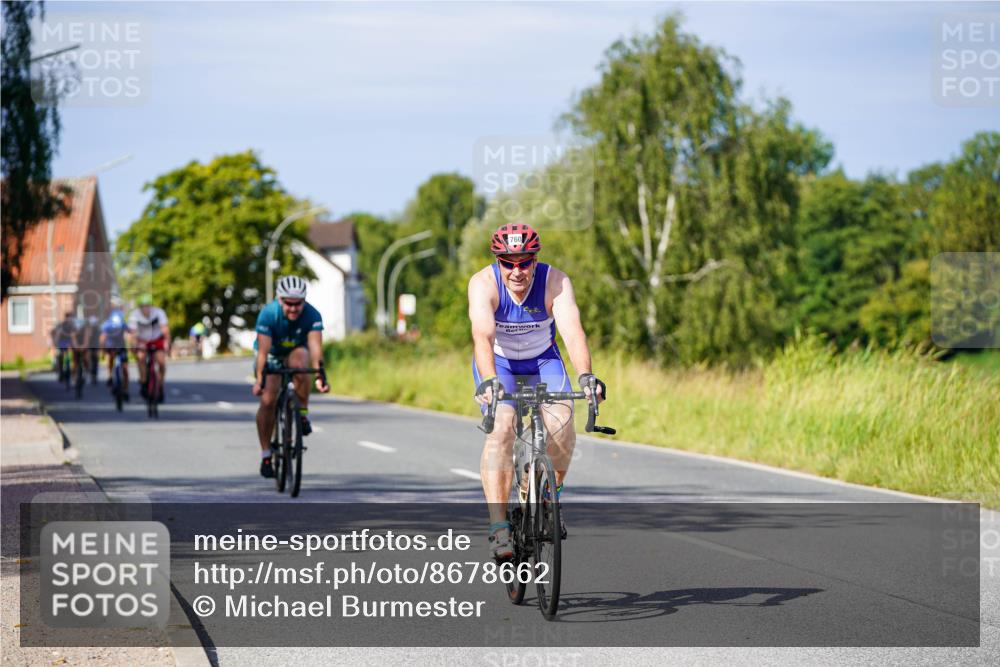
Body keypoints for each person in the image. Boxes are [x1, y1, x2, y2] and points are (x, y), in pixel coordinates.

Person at [468, 223, 606, 559]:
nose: (517, 271)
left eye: (524, 262)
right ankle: (499, 527)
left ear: (535, 260)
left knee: (562, 420)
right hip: (499, 365)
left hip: (543, 360)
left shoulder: (556, 282)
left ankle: (546, 495)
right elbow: (482, 336)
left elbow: (572, 331)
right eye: (508, 263)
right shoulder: (483, 283)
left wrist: (587, 376)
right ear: (498, 262)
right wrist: (489, 382)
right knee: (501, 428)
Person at [251, 276, 329, 478]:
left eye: (298, 304)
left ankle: (301, 413)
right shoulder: (268, 314)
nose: (293, 309)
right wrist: (260, 380)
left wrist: (320, 375)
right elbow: (262, 353)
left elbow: (315, 349)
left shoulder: (312, 315)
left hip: (295, 350)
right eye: (289, 304)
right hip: (271, 353)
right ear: (280, 300)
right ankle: (267, 454)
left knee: (301, 364)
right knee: (268, 399)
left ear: (304, 301)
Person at [127, 294, 170, 403]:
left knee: (161, 362)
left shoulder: (159, 313)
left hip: (156, 338)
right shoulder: (134, 315)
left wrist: (167, 344)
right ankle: (144, 381)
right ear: (139, 307)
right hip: (142, 339)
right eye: (143, 306)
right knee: (141, 358)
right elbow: (132, 334)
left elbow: (165, 330)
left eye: (148, 306)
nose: (146, 309)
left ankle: (160, 385)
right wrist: (134, 345)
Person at [100, 304, 130, 399]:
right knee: (110, 359)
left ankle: (125, 389)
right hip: (111, 345)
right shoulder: (107, 324)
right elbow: (103, 338)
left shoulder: (122, 322)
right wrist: (102, 350)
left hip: (121, 345)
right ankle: (110, 377)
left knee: (125, 368)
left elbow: (128, 334)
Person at [50, 311, 79, 384]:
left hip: (70, 342)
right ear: (66, 318)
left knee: (74, 356)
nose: (70, 319)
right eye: (69, 317)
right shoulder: (61, 325)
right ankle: (61, 372)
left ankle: (73, 372)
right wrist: (55, 345)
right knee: (60, 356)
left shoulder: (73, 326)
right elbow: (56, 334)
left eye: (71, 318)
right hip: (61, 342)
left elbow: (75, 336)